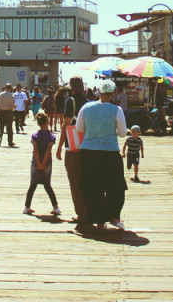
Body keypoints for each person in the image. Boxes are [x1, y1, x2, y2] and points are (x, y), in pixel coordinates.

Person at [76, 79, 128, 231]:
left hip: (89, 152)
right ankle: (114, 216)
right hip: (110, 151)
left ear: (99, 92)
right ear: (113, 94)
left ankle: (98, 219)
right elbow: (123, 133)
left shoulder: (86, 107)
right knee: (115, 186)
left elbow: (79, 128)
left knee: (92, 187)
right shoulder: (116, 110)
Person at [56, 76, 89, 230]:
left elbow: (66, 123)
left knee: (75, 181)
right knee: (85, 179)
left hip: (73, 145)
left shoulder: (70, 101)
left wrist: (59, 146)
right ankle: (89, 211)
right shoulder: (88, 101)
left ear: (72, 88)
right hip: (87, 145)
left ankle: (81, 215)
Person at [24, 112, 61, 216]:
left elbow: (35, 149)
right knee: (47, 185)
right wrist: (44, 162)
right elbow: (48, 150)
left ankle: (27, 207)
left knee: (32, 185)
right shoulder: (51, 136)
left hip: (35, 161)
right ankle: (56, 208)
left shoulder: (34, 136)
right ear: (48, 122)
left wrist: (39, 162)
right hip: (47, 162)